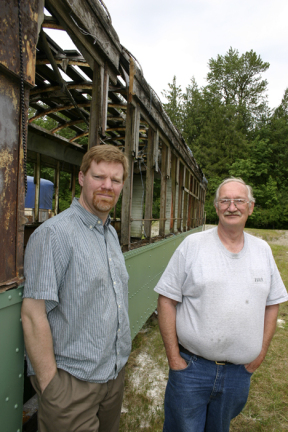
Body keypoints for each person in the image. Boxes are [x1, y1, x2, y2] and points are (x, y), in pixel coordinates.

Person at [154, 177, 288, 432]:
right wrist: (174, 358)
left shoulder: (263, 250)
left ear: (251, 207)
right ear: (216, 207)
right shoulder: (193, 245)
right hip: (191, 370)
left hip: (238, 375)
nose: (232, 207)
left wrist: (259, 356)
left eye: (239, 201)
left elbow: (272, 304)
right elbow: (166, 299)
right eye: (225, 201)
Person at [21, 144, 131, 432]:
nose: (107, 186)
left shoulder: (110, 234)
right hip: (72, 385)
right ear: (82, 178)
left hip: (112, 377)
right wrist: (51, 388)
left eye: (115, 180)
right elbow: (33, 315)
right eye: (99, 177)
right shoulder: (54, 235)